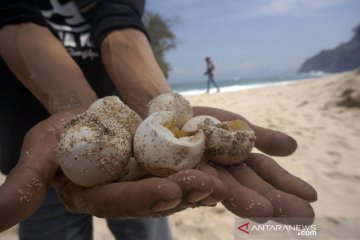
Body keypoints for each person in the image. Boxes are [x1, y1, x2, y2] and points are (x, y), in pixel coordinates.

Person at [0, 0, 317, 239]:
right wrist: (76, 106)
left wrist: (160, 104)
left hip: (134, 138)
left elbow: (120, 28)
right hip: (45, 142)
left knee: (152, 208)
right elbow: (15, 21)